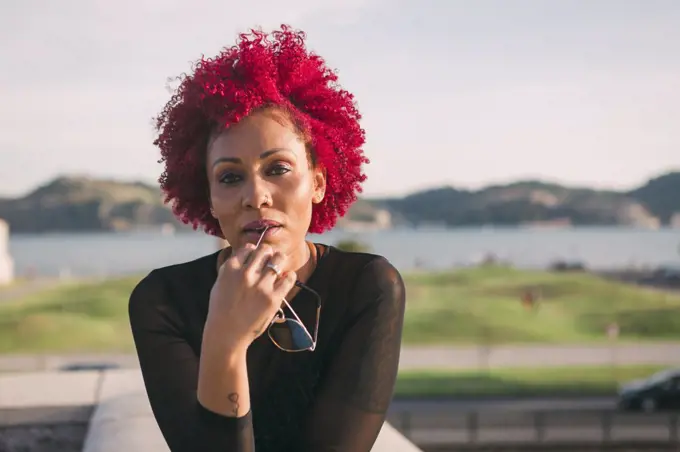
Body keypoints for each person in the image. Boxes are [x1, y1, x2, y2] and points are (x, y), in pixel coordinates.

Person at [128, 25, 406, 452]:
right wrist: (225, 339)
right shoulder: (161, 300)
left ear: (317, 183)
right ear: (209, 197)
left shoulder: (368, 287)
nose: (255, 196)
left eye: (277, 168)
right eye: (230, 176)